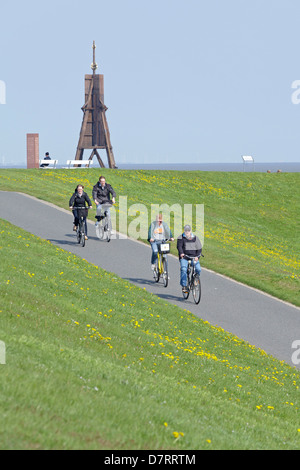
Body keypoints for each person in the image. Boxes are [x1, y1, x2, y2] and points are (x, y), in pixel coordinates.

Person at [177, 225, 202, 293]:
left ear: (190, 231)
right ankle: (184, 285)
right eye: (186, 230)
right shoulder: (181, 238)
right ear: (184, 231)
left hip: (194, 257)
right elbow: (179, 247)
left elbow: (199, 248)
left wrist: (197, 256)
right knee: (184, 269)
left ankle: (195, 281)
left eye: (188, 230)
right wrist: (181, 253)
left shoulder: (195, 238)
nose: (187, 232)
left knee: (198, 269)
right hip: (185, 257)